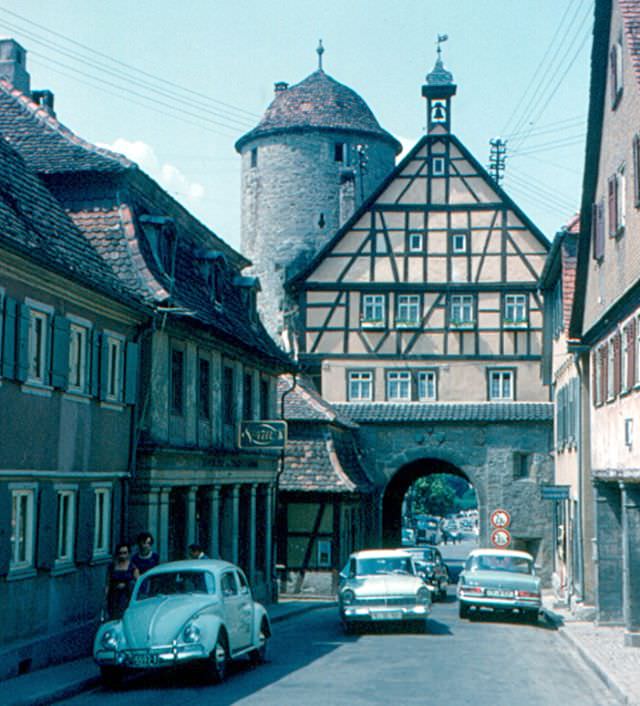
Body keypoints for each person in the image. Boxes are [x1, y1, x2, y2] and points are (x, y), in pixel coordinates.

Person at [104, 543, 139, 620]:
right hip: (113, 595)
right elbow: (108, 582)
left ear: (128, 554)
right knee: (113, 615)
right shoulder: (112, 567)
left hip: (126, 596)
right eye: (120, 553)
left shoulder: (133, 568)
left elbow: (137, 584)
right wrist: (105, 596)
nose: (122, 555)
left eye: (125, 553)